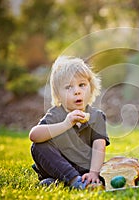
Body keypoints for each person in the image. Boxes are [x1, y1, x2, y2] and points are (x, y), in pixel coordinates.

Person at [29, 56, 110, 190]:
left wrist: (94, 173)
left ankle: (63, 182)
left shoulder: (97, 117)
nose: (77, 91)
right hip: (58, 167)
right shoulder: (56, 114)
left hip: (86, 170)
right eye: (68, 87)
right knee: (38, 146)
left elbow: (99, 147)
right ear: (58, 95)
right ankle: (73, 180)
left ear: (91, 88)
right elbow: (34, 135)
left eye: (82, 85)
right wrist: (66, 124)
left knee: (109, 169)